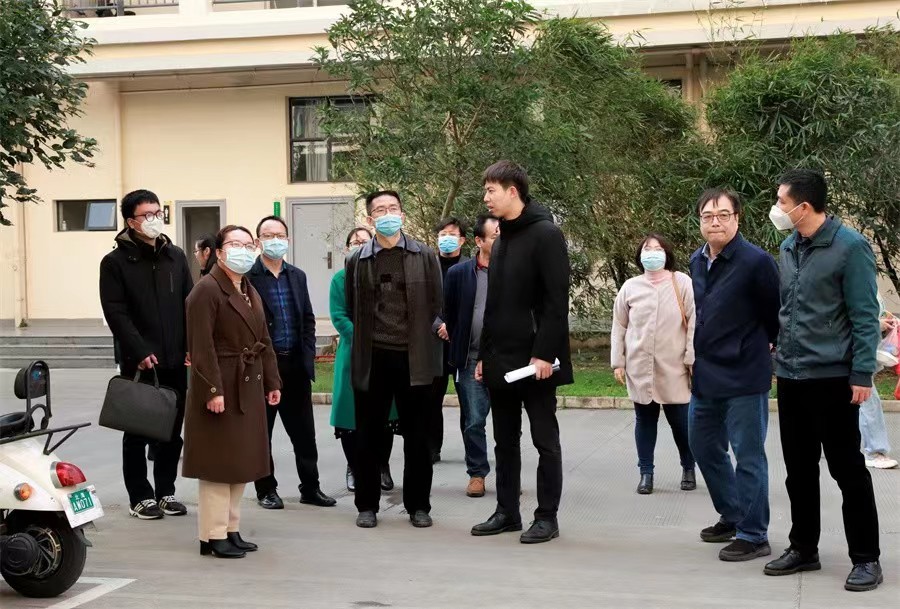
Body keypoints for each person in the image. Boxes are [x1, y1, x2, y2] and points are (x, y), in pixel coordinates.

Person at [764, 169, 884, 592]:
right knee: (798, 472)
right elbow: (787, 308)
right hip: (791, 375)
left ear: (804, 206)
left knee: (847, 470)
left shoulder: (850, 247)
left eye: (781, 202)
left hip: (833, 378)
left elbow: (865, 316)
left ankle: (866, 558)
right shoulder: (788, 247)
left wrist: (861, 372)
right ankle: (803, 548)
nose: (777, 209)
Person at [471, 161, 573, 544]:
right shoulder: (501, 239)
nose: (486, 197)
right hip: (501, 359)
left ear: (513, 191)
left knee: (545, 441)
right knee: (504, 440)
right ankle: (507, 512)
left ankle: (547, 517)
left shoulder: (546, 234)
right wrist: (483, 356)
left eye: (491, 190)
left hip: (535, 363)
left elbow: (556, 301)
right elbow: (493, 305)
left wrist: (544, 354)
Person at [688, 188, 780, 562]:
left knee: (748, 455)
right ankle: (733, 514)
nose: (715, 222)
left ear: (737, 218)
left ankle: (754, 534)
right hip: (706, 373)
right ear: (700, 221)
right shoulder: (697, 261)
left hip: (745, 374)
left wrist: (759, 345)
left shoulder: (757, 261)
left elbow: (775, 314)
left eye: (723, 215)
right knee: (703, 445)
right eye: (708, 216)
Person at [345, 191, 443, 529]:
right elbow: (352, 307)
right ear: (370, 219)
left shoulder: (424, 255)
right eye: (380, 210)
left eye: (393, 208)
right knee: (368, 434)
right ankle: (366, 505)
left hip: (414, 356)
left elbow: (436, 303)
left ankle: (419, 506)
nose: (387, 214)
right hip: (373, 356)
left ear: (402, 214)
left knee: (418, 436)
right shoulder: (357, 259)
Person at [183, 225, 281, 559]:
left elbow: (264, 340)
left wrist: (273, 382)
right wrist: (212, 390)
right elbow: (201, 346)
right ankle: (212, 535)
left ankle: (230, 529)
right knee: (217, 465)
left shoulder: (247, 288)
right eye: (234, 244)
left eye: (247, 244)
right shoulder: (206, 290)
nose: (242, 250)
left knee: (240, 462)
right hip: (221, 385)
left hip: (247, 385)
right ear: (219, 252)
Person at [99, 189, 192, 521]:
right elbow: (115, 312)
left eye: (158, 213)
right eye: (146, 215)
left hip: (175, 359)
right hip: (140, 361)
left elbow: (189, 303)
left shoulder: (176, 256)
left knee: (171, 431)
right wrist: (138, 350)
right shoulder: (115, 263)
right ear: (131, 222)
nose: (154, 219)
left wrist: (191, 345)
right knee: (137, 430)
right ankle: (139, 496)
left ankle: (166, 491)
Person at [247, 216, 336, 509]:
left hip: (295, 365)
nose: (275, 240)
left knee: (304, 435)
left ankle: (310, 488)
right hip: (264, 369)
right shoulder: (248, 277)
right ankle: (266, 489)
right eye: (268, 235)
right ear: (258, 241)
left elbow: (308, 318)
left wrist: (307, 354)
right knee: (262, 434)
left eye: (280, 235)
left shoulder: (297, 275)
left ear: (288, 240)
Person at [611, 234, 696, 495]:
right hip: (639, 367)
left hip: (675, 367)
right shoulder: (630, 287)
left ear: (666, 254)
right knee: (644, 421)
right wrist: (618, 361)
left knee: (681, 423)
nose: (652, 253)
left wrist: (691, 357)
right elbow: (619, 325)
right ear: (640, 255)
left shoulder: (681, 282)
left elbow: (694, 321)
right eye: (647, 249)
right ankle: (646, 473)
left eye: (657, 248)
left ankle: (688, 467)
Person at [330, 227, 398, 493]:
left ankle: (382, 466)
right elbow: (339, 316)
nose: (359, 245)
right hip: (353, 354)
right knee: (350, 417)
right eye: (354, 242)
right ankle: (354, 467)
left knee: (385, 415)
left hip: (386, 352)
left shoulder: (386, 274)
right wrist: (365, 340)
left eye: (364, 241)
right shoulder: (340, 279)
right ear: (347, 248)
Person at [443, 215, 499, 498]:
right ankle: (477, 473)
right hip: (469, 358)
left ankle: (509, 474)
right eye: (495, 235)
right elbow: (445, 312)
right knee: (474, 420)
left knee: (507, 422)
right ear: (479, 241)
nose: (502, 240)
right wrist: (446, 330)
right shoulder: (459, 274)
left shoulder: (512, 271)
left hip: (504, 358)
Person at [430, 217, 469, 463]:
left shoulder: (471, 267)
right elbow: (421, 301)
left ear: (462, 240)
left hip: (461, 343)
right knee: (432, 400)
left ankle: (472, 449)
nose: (446, 238)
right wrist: (439, 325)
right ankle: (432, 448)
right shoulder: (427, 266)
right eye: (442, 234)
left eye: (452, 234)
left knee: (468, 400)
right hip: (433, 344)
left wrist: (453, 327)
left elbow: (475, 303)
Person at [860, 295, 899, 470]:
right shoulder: (855, 280)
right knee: (868, 399)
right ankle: (875, 451)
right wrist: (877, 324)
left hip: (864, 351)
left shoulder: (868, 283)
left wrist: (885, 318)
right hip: (856, 353)